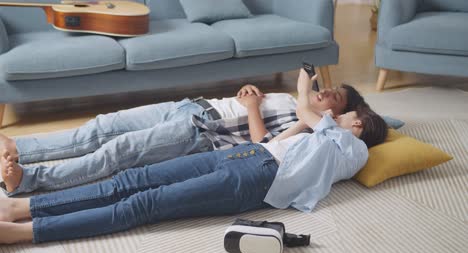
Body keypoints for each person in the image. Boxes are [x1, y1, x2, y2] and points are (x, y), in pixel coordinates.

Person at [0, 69, 388, 244]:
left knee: (141, 205)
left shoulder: (351, 148)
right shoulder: (323, 137)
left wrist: (305, 86)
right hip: (251, 154)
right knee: (131, 180)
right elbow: (282, 136)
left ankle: (23, 233)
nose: (335, 113)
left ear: (357, 125)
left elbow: (308, 114)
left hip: (255, 180)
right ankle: (24, 208)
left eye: (344, 111)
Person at [0, 76, 366, 196]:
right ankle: (20, 147)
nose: (327, 92)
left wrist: (254, 109)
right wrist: (249, 94)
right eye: (329, 88)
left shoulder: (308, 128)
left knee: (117, 152)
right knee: (102, 126)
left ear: (336, 112)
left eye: (335, 96)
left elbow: (262, 146)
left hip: (201, 132)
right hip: (193, 106)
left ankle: (27, 180)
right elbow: (249, 102)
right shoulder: (290, 97)